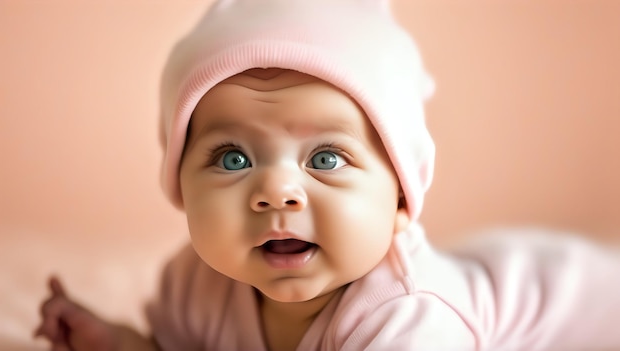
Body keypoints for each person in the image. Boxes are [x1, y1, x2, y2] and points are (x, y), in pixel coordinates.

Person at [35, 0, 620, 350]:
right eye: (232, 158)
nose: (276, 192)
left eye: (325, 159)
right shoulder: (195, 287)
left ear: (399, 195)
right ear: (180, 185)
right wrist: (117, 341)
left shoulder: (408, 315)